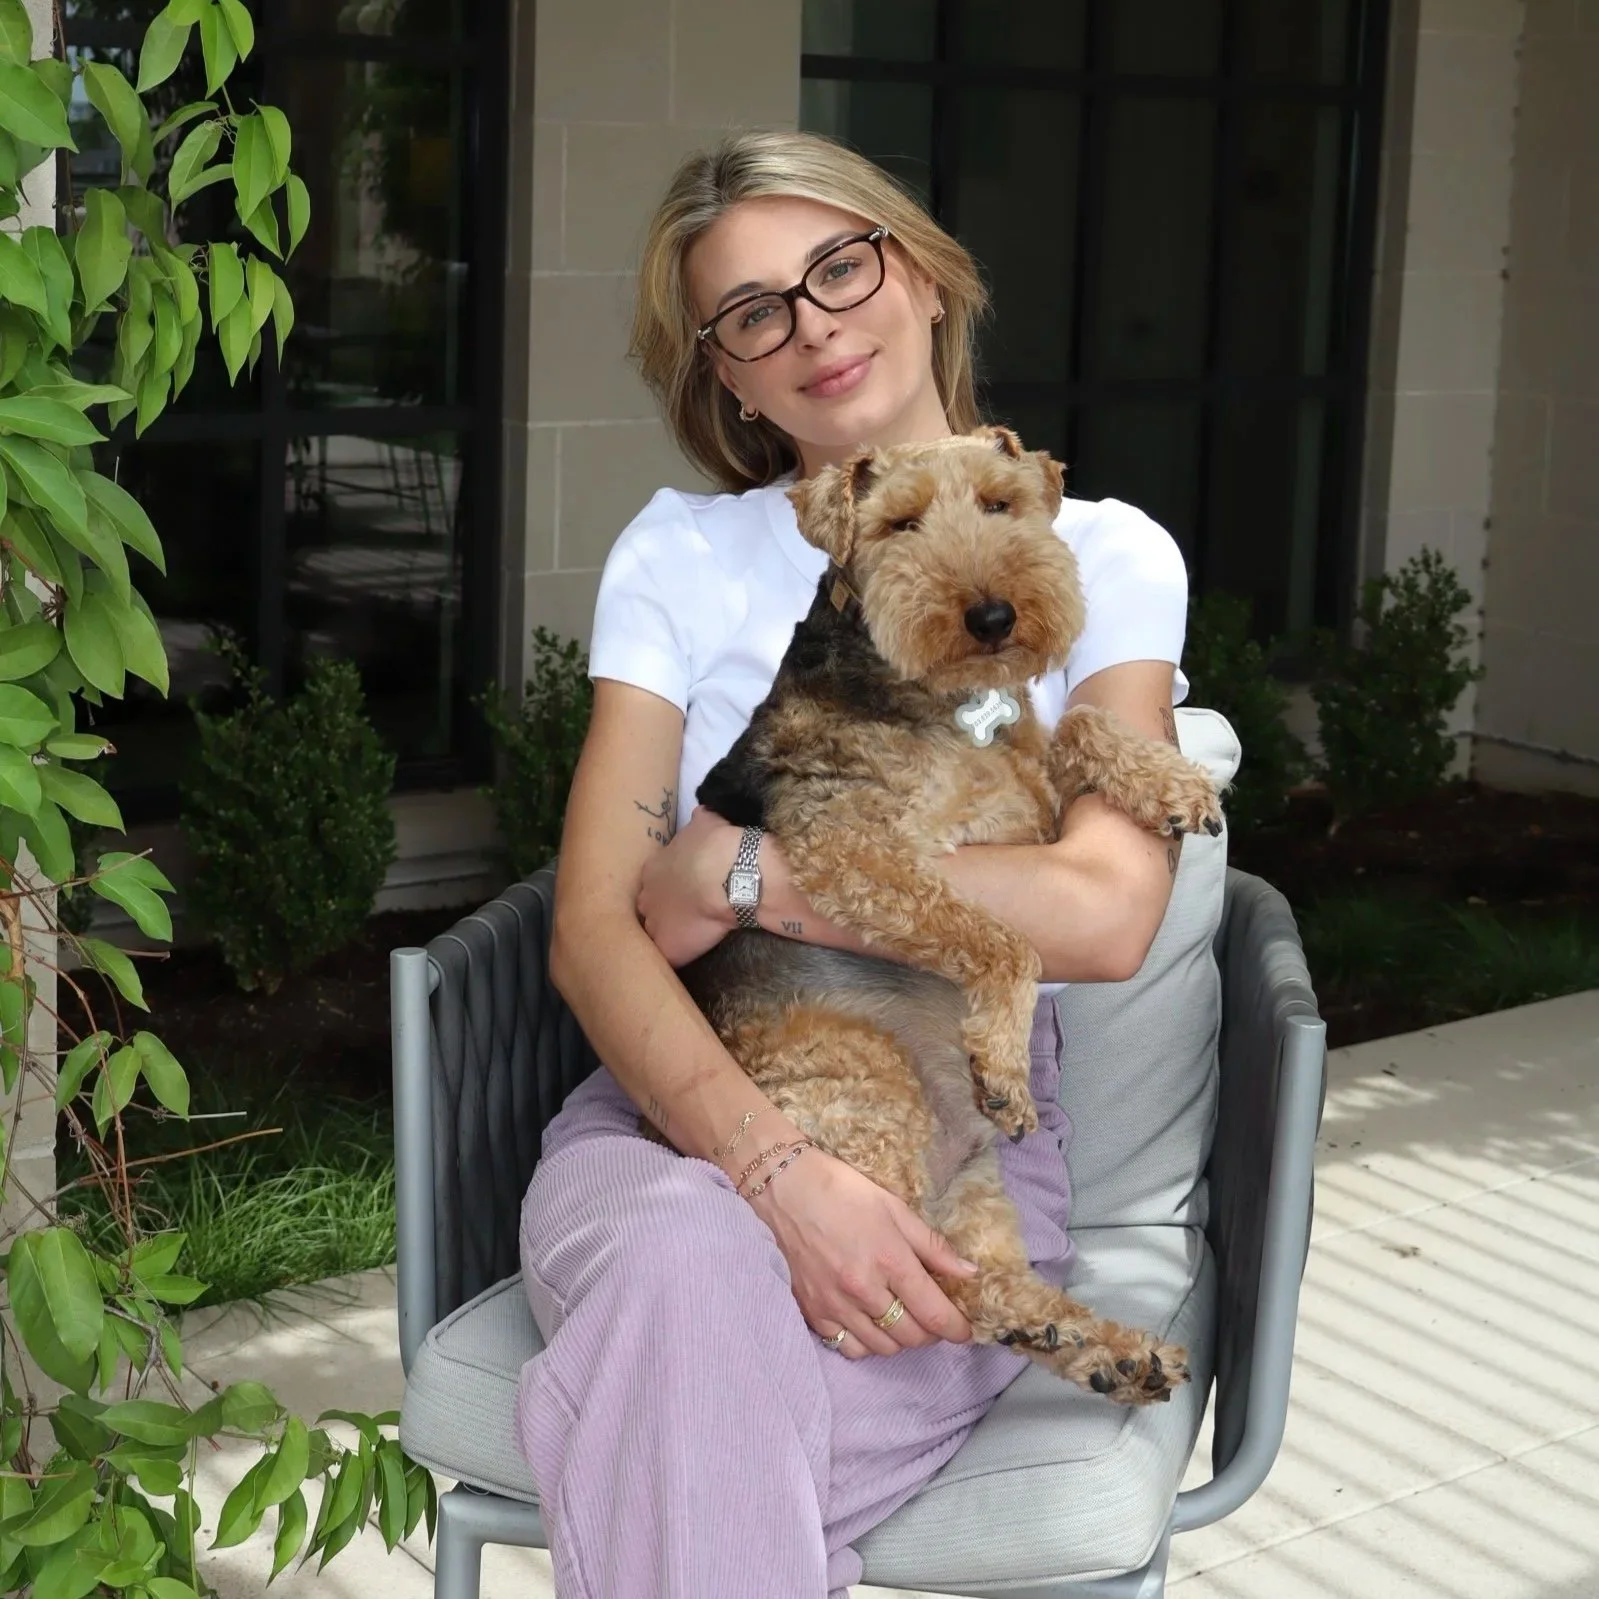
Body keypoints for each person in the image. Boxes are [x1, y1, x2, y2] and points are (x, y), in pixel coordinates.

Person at [514, 128, 1193, 1599]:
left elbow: (1102, 912)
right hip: (671, 1110)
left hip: (955, 1123)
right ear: (727, 377)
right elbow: (597, 931)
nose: (813, 326)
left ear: (927, 275)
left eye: (839, 267)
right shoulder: (680, 556)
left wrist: (749, 874)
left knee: (674, 1426)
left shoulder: (1102, 549)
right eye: (753, 313)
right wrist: (771, 1172)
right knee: (683, 1259)